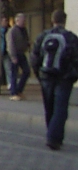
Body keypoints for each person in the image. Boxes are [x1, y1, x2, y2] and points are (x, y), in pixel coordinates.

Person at [30, 9, 78, 150]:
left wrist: (39, 74)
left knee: (49, 107)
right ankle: (54, 137)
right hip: (64, 78)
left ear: (52, 20)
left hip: (46, 76)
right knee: (60, 108)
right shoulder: (71, 37)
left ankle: (53, 134)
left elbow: (35, 57)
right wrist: (73, 75)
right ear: (64, 21)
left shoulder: (42, 36)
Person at [7, 12, 31, 101]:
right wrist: (13, 56)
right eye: (23, 20)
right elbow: (10, 44)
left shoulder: (24, 30)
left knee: (27, 71)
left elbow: (26, 40)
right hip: (15, 54)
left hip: (21, 53)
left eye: (25, 20)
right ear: (17, 21)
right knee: (14, 74)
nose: (24, 22)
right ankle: (13, 93)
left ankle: (19, 90)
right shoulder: (12, 31)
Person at [0, 16, 11, 87]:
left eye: (6, 21)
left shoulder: (9, 31)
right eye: (4, 21)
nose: (5, 23)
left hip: (6, 52)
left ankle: (9, 83)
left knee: (8, 68)